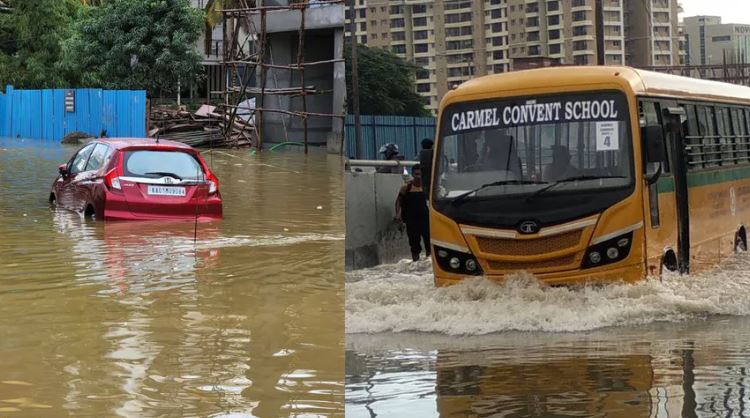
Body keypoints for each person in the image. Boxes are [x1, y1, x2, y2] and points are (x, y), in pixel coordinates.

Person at [395, 164, 431, 261]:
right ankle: (415, 264)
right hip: (412, 221)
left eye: (420, 174)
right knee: (414, 244)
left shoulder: (428, 187)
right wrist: (398, 214)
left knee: (429, 243)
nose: (418, 176)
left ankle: (428, 264)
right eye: (416, 174)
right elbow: (399, 201)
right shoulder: (406, 187)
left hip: (426, 220)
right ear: (412, 174)